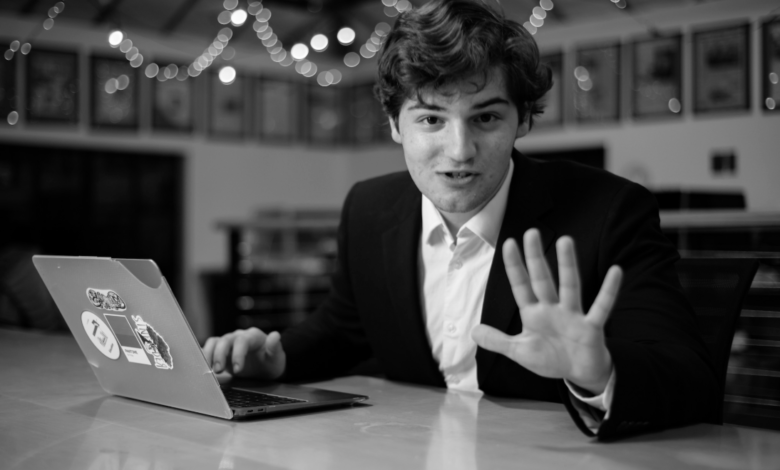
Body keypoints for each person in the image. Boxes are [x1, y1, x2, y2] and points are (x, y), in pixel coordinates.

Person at [203, 0, 717, 439]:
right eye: (430, 118)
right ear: (394, 124)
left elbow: (690, 378)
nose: (460, 150)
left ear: (523, 119)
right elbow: (343, 328)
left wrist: (596, 371)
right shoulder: (369, 208)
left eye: (487, 117)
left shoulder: (609, 212)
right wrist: (277, 360)